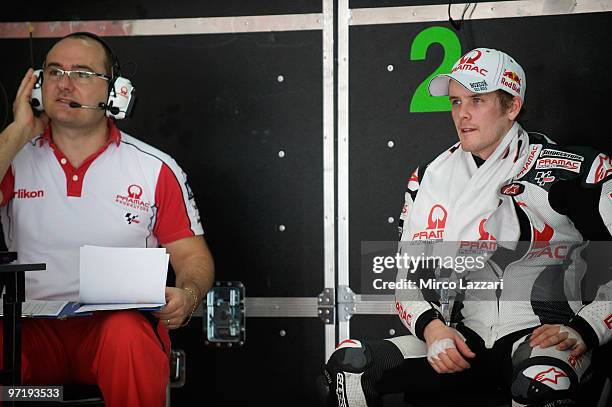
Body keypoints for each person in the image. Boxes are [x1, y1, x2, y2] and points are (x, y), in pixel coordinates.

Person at [319, 48, 612, 406]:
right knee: (349, 365)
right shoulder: (430, 178)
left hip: (542, 339)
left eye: (477, 99)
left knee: (540, 386)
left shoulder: (575, 170)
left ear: (512, 106)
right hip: (464, 339)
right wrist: (433, 327)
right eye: (456, 102)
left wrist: (586, 328)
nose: (463, 114)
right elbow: (407, 276)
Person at [0, 32, 214, 407]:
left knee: (126, 334)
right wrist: (17, 132)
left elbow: (192, 256)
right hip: (30, 333)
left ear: (116, 93)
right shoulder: (12, 159)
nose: (64, 84)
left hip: (113, 333)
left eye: (82, 73)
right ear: (37, 88)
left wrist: (189, 295)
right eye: (53, 72)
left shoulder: (154, 168)